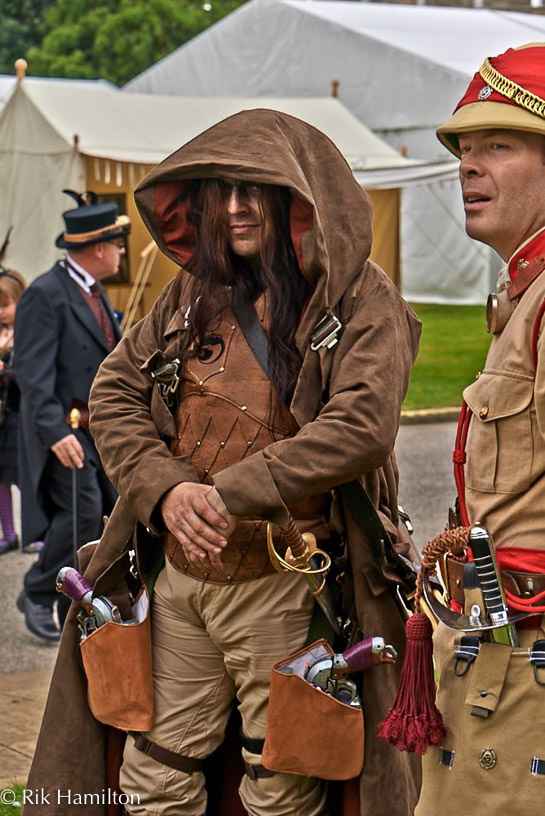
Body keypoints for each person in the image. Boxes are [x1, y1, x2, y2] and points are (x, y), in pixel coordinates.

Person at [24, 110, 421, 816]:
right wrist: (168, 491)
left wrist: (225, 493)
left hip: (288, 582)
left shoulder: (363, 298)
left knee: (281, 778)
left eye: (253, 189)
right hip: (179, 578)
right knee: (155, 771)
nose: (234, 208)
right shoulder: (191, 294)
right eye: (222, 191)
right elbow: (114, 390)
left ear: (294, 196)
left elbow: (360, 426)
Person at [413, 43, 545, 815]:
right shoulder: (520, 294)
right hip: (495, 647)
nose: (467, 166)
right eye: (463, 149)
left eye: (496, 143)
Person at [14, 191, 130, 642]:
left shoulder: (91, 289)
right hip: (65, 430)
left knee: (103, 511)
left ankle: (76, 595)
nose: (121, 252)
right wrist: (54, 431)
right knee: (79, 515)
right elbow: (31, 372)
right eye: (118, 244)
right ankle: (39, 592)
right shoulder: (45, 294)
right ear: (99, 247)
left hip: (96, 429)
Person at [0, 267, 43, 555]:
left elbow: (31, 374)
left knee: (26, 477)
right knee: (1, 478)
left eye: (5, 305)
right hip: (2, 419)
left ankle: (36, 531)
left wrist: (7, 369)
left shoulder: (30, 334)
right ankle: (9, 533)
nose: (1, 312)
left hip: (21, 417)